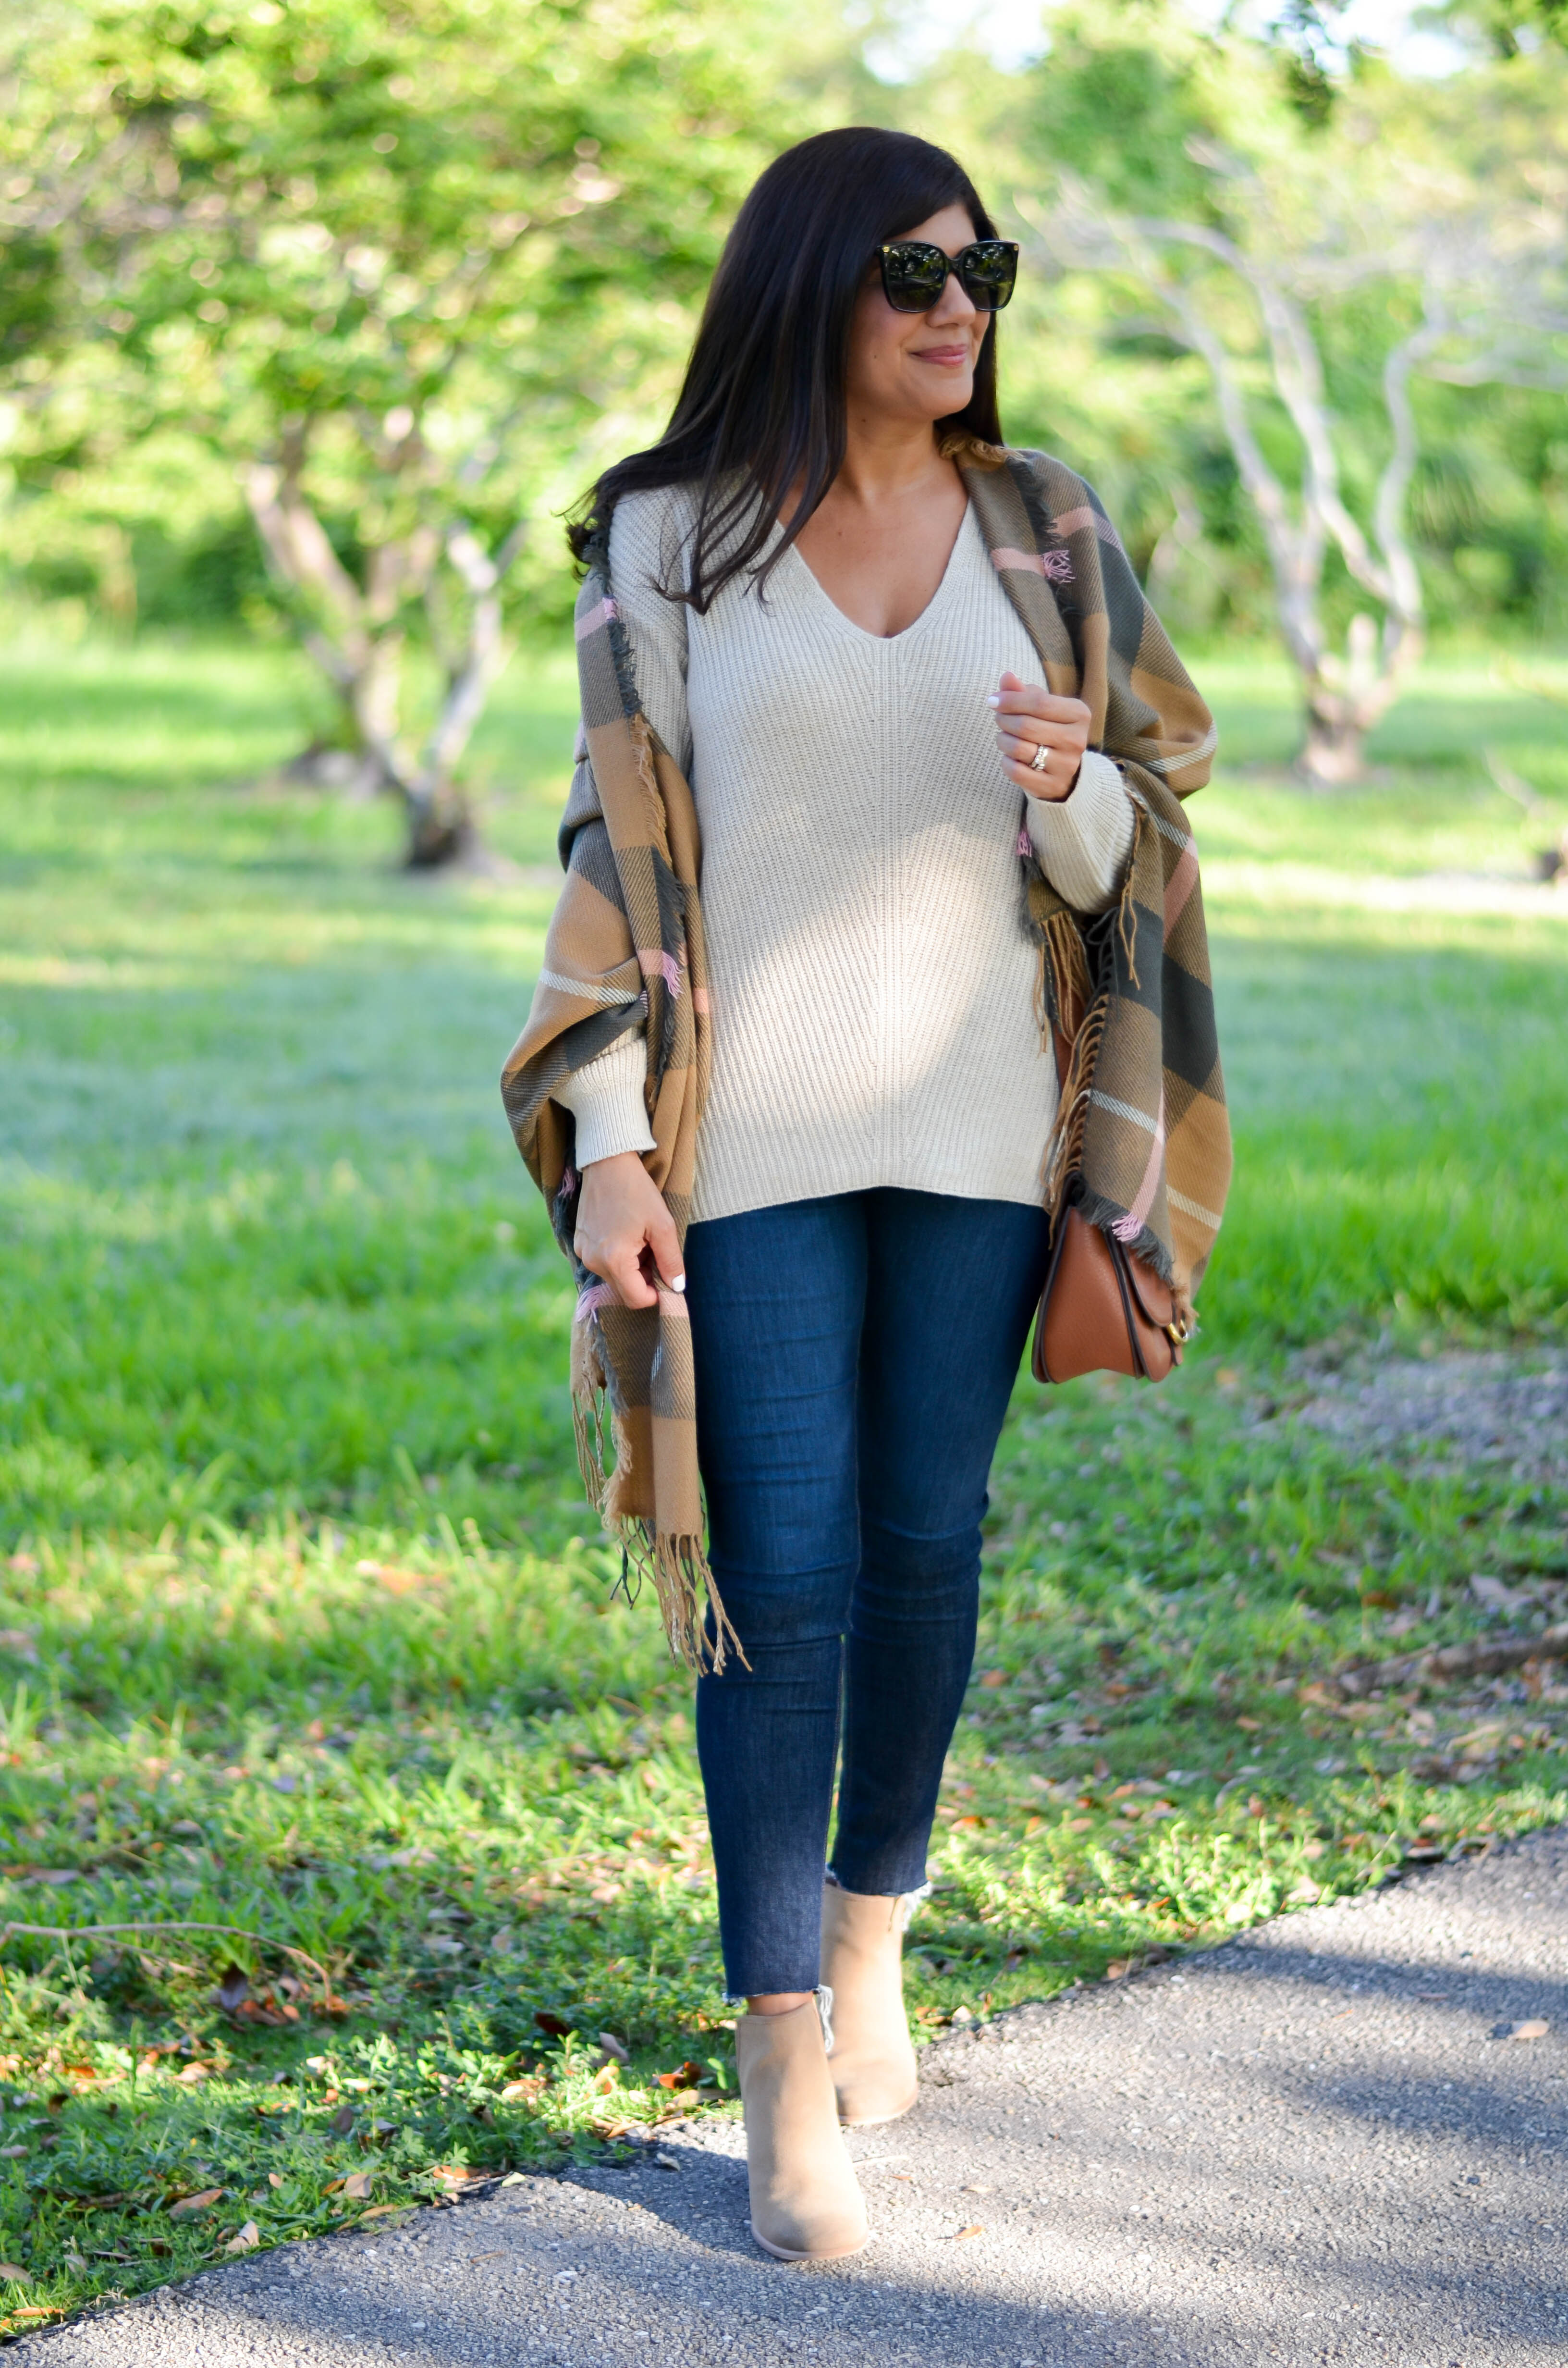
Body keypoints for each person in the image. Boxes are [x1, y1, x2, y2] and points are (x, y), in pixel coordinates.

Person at [502, 124, 1223, 2264]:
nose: (957, 304)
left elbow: (1149, 848)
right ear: (811, 278)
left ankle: (875, 1925)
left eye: (984, 266)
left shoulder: (1045, 525)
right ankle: (780, 2044)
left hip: (990, 1141)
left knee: (926, 1551)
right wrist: (614, 1141)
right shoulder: (669, 536)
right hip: (754, 1156)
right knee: (775, 1577)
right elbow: (612, 867)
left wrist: (1072, 784)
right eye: (914, 267)